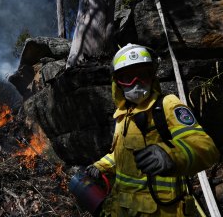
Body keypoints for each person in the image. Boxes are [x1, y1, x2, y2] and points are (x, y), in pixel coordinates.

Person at [86, 43, 220, 217]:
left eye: (143, 75)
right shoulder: (122, 116)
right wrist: (100, 166)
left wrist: (171, 154)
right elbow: (121, 154)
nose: (136, 83)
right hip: (123, 208)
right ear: (117, 83)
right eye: (127, 77)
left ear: (153, 75)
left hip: (162, 210)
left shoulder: (167, 105)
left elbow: (206, 147)